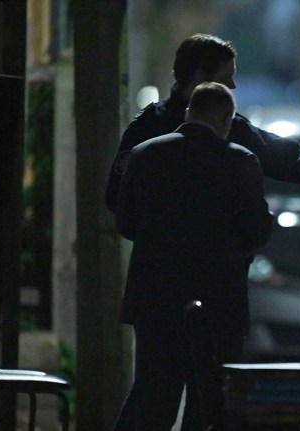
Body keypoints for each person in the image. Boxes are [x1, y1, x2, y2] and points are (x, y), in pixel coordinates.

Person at [114, 82, 274, 430]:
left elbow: (125, 222)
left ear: (189, 113)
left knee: (154, 400)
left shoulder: (144, 154)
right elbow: (257, 231)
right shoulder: (241, 161)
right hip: (219, 303)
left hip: (155, 300)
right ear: (226, 120)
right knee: (209, 404)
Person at [105, 33, 300, 215]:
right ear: (199, 76)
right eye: (225, 77)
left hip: (191, 279)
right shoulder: (150, 127)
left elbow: (294, 162)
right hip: (177, 280)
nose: (233, 86)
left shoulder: (231, 127)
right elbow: (117, 199)